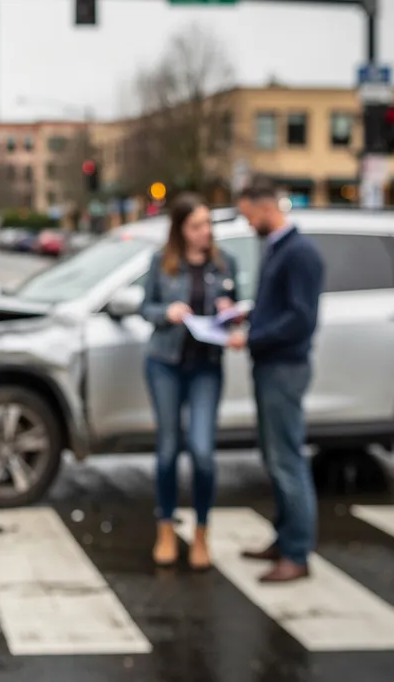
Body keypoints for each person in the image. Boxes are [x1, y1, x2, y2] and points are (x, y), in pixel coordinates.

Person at [227, 178, 324, 583]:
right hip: (271, 365)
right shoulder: (279, 249)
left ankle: (297, 552)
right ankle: (285, 538)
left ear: (265, 207)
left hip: (284, 367)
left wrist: (253, 336)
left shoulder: (299, 253)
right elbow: (280, 308)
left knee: (286, 458)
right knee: (274, 455)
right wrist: (246, 315)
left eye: (249, 216)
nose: (248, 224)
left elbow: (301, 319)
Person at [139, 194, 239, 570]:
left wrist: (230, 314)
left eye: (208, 224)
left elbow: (235, 308)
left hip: (206, 366)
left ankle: (201, 531)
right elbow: (145, 307)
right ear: (180, 229)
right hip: (165, 362)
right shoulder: (162, 262)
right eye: (196, 226)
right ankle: (165, 526)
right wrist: (168, 312)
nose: (205, 232)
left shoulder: (224, 262)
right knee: (167, 449)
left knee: (202, 450)